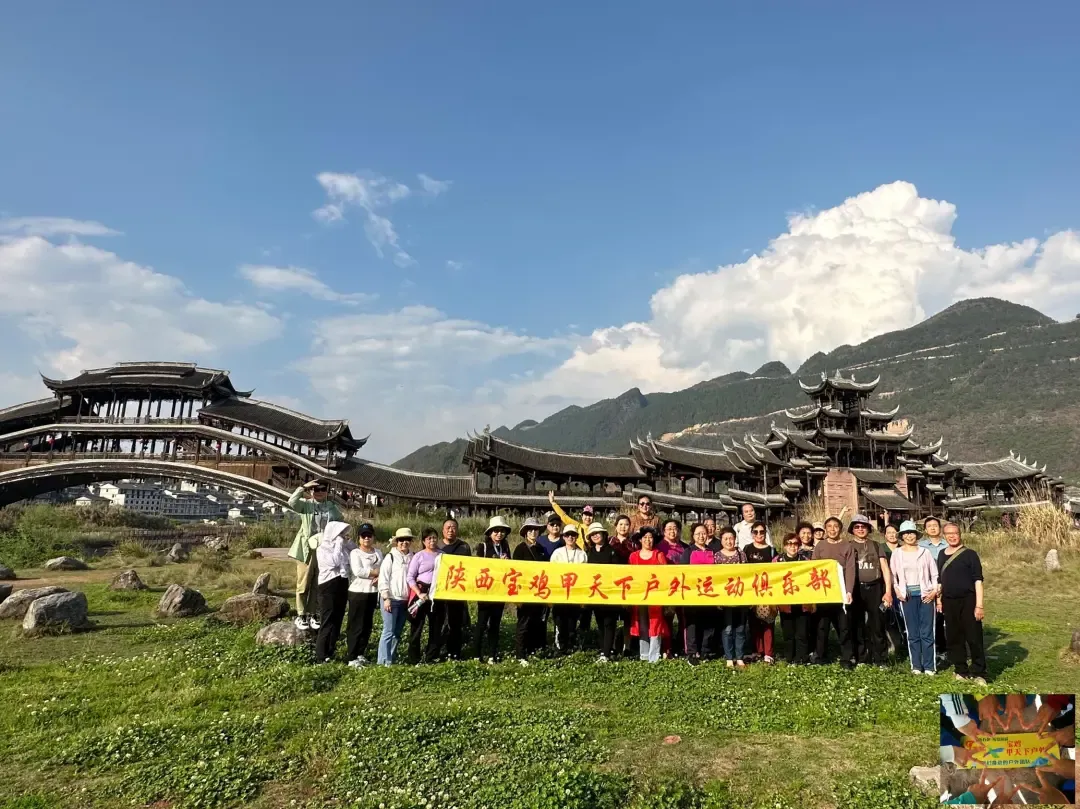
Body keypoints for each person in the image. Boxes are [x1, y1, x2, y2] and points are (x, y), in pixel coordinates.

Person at [287, 480, 343, 630]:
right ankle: (301, 614)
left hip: (324, 550)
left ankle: (313, 613)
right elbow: (292, 502)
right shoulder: (306, 505)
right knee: (304, 582)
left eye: (323, 489)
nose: (319, 492)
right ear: (311, 491)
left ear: (327, 491)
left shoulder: (332, 507)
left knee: (318, 583)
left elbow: (340, 523)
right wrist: (303, 487)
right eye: (315, 489)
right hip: (307, 549)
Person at [936, 522, 987, 684]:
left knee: (974, 636)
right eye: (948, 534)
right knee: (954, 637)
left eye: (955, 533)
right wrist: (939, 600)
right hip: (949, 601)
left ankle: (979, 673)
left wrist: (979, 605)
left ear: (960, 534)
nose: (952, 536)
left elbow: (978, 580)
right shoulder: (941, 554)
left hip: (968, 600)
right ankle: (961, 670)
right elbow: (940, 580)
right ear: (944, 536)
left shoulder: (970, 554)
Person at [892, 520, 939, 674]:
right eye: (906, 533)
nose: (909, 536)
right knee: (912, 632)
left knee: (927, 631)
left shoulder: (925, 552)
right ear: (902, 536)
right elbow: (893, 576)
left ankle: (929, 666)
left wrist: (933, 592)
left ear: (916, 535)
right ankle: (916, 666)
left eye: (911, 533)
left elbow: (934, 574)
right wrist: (898, 591)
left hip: (926, 596)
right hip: (908, 597)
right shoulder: (897, 553)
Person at [847, 514, 892, 667]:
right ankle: (861, 657)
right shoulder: (848, 546)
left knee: (877, 624)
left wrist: (888, 591)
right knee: (857, 624)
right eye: (857, 527)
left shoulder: (876, 545)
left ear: (868, 529)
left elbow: (885, 569)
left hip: (875, 587)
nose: (860, 529)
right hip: (856, 588)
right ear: (852, 530)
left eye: (863, 526)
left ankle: (881, 659)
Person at [810, 516, 856, 668]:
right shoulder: (820, 546)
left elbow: (850, 569)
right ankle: (820, 656)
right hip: (824, 593)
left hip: (841, 592)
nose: (832, 529)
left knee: (844, 626)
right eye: (829, 526)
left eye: (835, 526)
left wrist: (849, 591)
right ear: (825, 529)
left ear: (840, 529)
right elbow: (814, 568)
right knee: (822, 626)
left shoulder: (847, 546)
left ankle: (847, 658)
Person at [430, 518, 472, 661]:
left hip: (457, 591)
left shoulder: (464, 547)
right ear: (443, 530)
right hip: (440, 591)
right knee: (438, 623)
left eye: (453, 527)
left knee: (456, 623)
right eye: (447, 527)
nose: (450, 530)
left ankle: (454, 653)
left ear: (457, 530)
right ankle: (435, 653)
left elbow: (469, 567)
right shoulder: (436, 547)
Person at [473, 515, 513, 662]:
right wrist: (496, 562)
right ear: (490, 533)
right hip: (485, 591)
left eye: (502, 531)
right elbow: (478, 567)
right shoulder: (482, 547)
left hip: (499, 591)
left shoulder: (506, 547)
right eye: (496, 531)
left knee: (495, 624)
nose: (499, 534)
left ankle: (492, 654)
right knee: (481, 624)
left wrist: (507, 562)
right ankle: (476, 654)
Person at [314, 520, 353, 662]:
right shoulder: (322, 549)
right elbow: (334, 562)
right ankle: (321, 655)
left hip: (342, 582)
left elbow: (354, 552)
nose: (341, 536)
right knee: (327, 619)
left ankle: (330, 652)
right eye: (339, 533)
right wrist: (339, 544)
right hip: (328, 585)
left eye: (343, 533)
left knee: (338, 618)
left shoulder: (342, 547)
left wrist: (347, 543)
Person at [629, 527, 668, 662]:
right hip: (639, 595)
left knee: (655, 623)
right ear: (640, 540)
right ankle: (644, 655)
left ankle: (654, 656)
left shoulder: (659, 555)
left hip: (655, 595)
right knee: (642, 623)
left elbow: (665, 576)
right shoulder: (633, 556)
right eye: (644, 537)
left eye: (650, 537)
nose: (647, 540)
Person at [346, 522, 382, 667]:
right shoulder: (355, 553)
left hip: (372, 592)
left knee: (367, 625)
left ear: (373, 537)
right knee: (356, 625)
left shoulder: (378, 552)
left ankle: (360, 653)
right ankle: (352, 656)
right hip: (358, 592)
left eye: (369, 535)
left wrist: (380, 576)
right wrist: (375, 572)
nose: (367, 538)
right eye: (363, 536)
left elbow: (383, 569)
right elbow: (358, 571)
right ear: (359, 538)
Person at [512, 517, 548, 662]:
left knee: (535, 622)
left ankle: (532, 650)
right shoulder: (520, 549)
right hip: (525, 591)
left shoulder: (541, 549)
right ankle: (520, 654)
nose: (533, 532)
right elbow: (515, 571)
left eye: (536, 529)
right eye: (530, 529)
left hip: (538, 591)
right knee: (523, 623)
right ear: (526, 532)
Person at [377, 528, 414, 666]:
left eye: (407, 539)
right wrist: (386, 597)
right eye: (401, 540)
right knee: (388, 631)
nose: (404, 542)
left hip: (405, 600)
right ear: (396, 542)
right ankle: (383, 661)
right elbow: (383, 578)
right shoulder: (390, 557)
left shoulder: (413, 557)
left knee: (397, 632)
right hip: (391, 599)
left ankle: (391, 659)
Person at [774, 533, 812, 664]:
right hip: (785, 603)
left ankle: (801, 658)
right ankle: (789, 657)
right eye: (789, 544)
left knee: (802, 633)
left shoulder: (805, 561)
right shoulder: (777, 561)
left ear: (799, 546)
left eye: (795, 544)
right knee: (788, 633)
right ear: (785, 546)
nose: (792, 547)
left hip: (802, 602)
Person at [550, 524, 588, 653]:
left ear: (576, 537)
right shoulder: (557, 553)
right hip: (560, 594)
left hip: (575, 595)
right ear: (563, 537)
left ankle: (571, 647)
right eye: (567, 535)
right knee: (560, 622)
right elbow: (551, 572)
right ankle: (560, 647)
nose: (570, 537)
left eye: (573, 535)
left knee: (572, 622)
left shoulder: (582, 554)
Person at [585, 523, 620, 662]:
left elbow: (617, 572)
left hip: (609, 593)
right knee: (600, 623)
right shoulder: (589, 552)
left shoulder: (612, 551)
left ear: (604, 534)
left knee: (609, 623)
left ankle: (606, 653)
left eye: (598, 533)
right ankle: (603, 650)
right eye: (592, 534)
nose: (595, 536)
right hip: (595, 593)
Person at [406, 528, 441, 664]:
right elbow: (410, 577)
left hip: (437, 593)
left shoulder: (442, 555)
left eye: (434, 537)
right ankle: (413, 658)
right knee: (417, 626)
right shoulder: (419, 556)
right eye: (429, 538)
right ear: (424, 541)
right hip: (422, 592)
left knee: (436, 626)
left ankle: (431, 656)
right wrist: (418, 592)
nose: (432, 540)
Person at [714, 527, 747, 668]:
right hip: (725, 598)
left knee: (740, 628)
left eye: (731, 538)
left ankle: (739, 657)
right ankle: (729, 657)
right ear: (721, 541)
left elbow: (747, 574)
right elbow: (715, 578)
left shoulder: (741, 554)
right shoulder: (717, 556)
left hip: (741, 596)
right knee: (727, 629)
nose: (729, 541)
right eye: (726, 539)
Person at [743, 521, 776, 663]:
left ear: (765, 533)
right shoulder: (746, 549)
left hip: (767, 590)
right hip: (751, 590)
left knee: (768, 621)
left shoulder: (772, 550)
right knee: (753, 621)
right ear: (752, 534)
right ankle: (757, 650)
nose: (759, 534)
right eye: (755, 532)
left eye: (762, 532)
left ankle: (769, 653)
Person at [685, 522, 717, 664]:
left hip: (709, 593)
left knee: (708, 623)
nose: (701, 536)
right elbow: (682, 572)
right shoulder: (688, 551)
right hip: (693, 593)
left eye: (703, 533)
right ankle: (692, 652)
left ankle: (705, 650)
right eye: (698, 534)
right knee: (692, 624)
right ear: (693, 536)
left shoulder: (712, 551)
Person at [920, 516, 948, 659]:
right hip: (929, 585)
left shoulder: (947, 544)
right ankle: (935, 648)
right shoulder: (921, 546)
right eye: (929, 526)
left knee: (945, 616)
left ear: (940, 528)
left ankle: (947, 647)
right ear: (925, 530)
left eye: (935, 525)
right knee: (933, 618)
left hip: (947, 584)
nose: (932, 528)